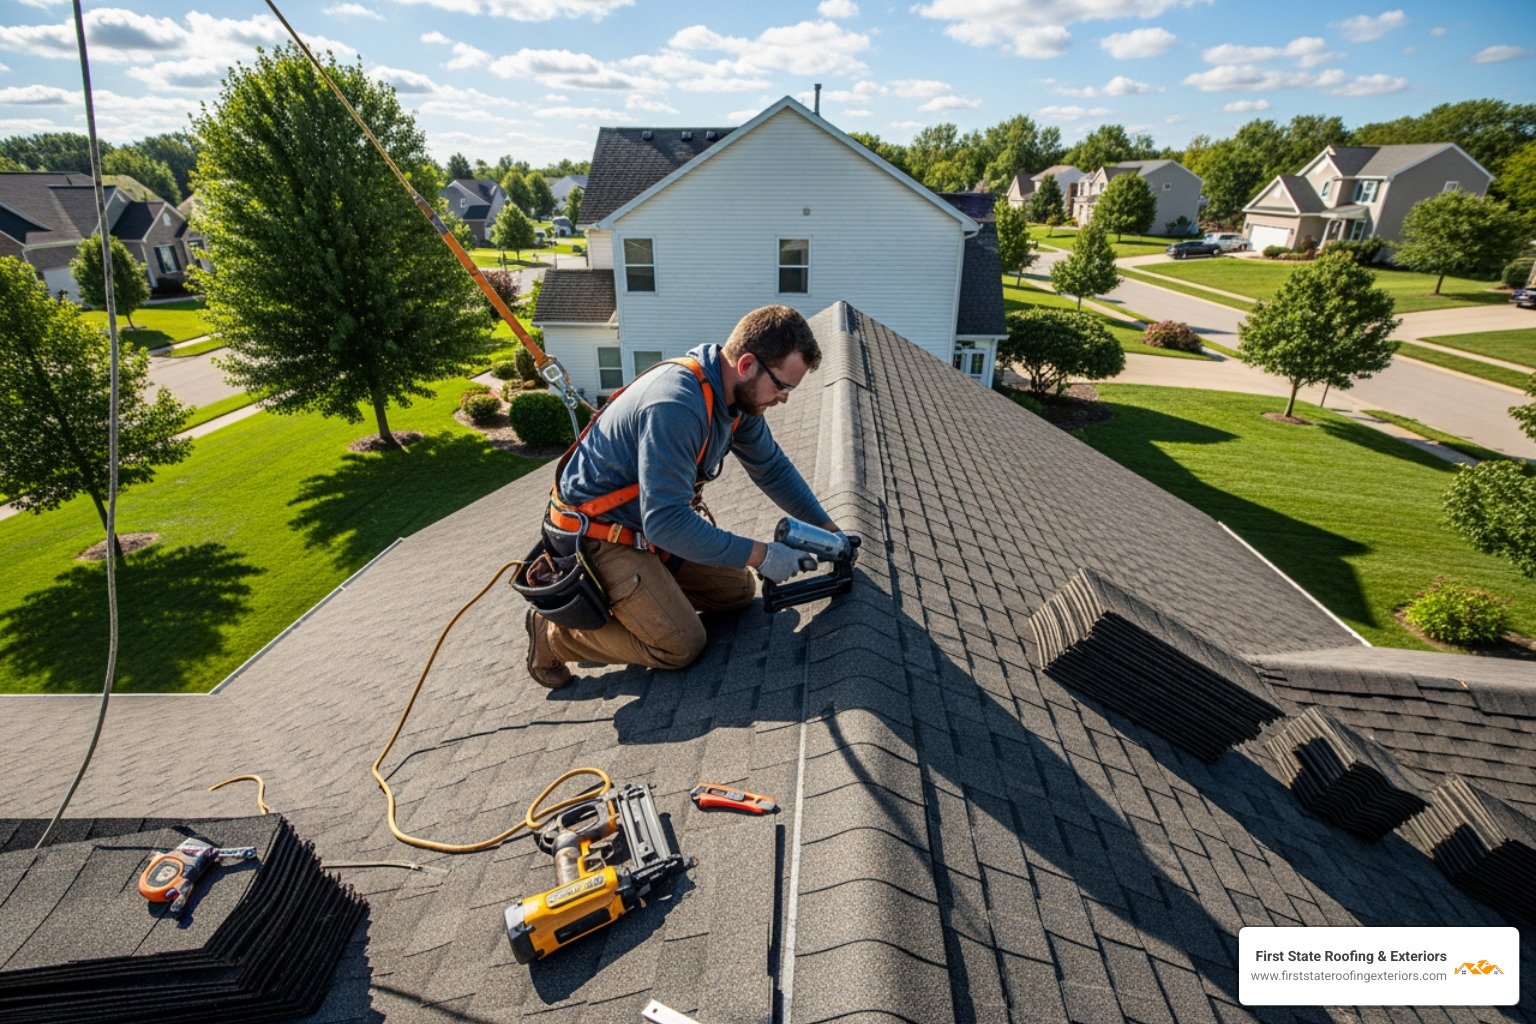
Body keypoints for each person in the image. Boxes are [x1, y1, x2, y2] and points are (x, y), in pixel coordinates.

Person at [526, 304, 839, 687]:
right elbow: (666, 523)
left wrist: (827, 529)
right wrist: (764, 554)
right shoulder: (676, 405)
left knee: (738, 591)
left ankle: (648, 602)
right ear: (746, 365)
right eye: (781, 386)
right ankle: (555, 635)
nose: (784, 398)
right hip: (596, 534)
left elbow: (770, 467)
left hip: (645, 524)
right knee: (681, 644)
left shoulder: (736, 402)